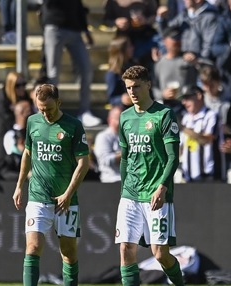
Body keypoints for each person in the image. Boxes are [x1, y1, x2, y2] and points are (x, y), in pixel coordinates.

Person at [12, 84, 90, 286]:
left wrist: (68, 194)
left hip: (66, 199)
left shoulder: (73, 126)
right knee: (32, 247)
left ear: (59, 102)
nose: (45, 113)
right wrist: (19, 185)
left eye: (49, 108)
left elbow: (84, 162)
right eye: (40, 109)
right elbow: (27, 154)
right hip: (38, 195)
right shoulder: (32, 122)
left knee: (69, 253)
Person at [117, 65, 184, 286]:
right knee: (126, 248)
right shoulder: (125, 117)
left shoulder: (164, 115)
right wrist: (123, 190)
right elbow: (125, 158)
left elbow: (173, 157)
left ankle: (178, 282)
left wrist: (162, 187)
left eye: (136, 86)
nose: (132, 92)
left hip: (157, 192)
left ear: (148, 85)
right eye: (128, 88)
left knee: (160, 254)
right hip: (131, 194)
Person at [40, 0, 102, 127]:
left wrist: (85, 30)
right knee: (53, 73)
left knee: (86, 70)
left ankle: (84, 111)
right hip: (54, 25)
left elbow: (78, 5)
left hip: (74, 29)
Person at [94, 105, 123, 183]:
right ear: (110, 120)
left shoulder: (128, 136)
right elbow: (104, 161)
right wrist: (124, 154)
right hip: (111, 180)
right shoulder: (103, 137)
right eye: (118, 119)